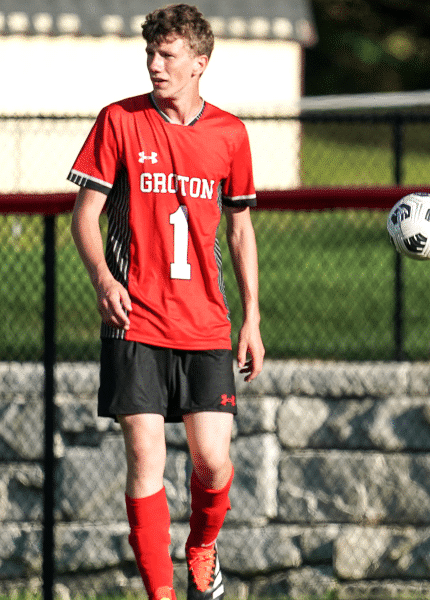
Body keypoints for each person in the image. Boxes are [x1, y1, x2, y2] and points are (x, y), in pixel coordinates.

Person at [68, 5, 265, 600]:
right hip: (136, 322)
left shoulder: (230, 134)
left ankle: (203, 547)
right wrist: (104, 279)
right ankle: (161, 594)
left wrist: (252, 318)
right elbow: (84, 216)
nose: (155, 65)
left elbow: (240, 230)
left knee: (213, 462)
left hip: (206, 324)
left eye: (168, 55)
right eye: (150, 53)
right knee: (144, 455)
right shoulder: (119, 120)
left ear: (199, 63)